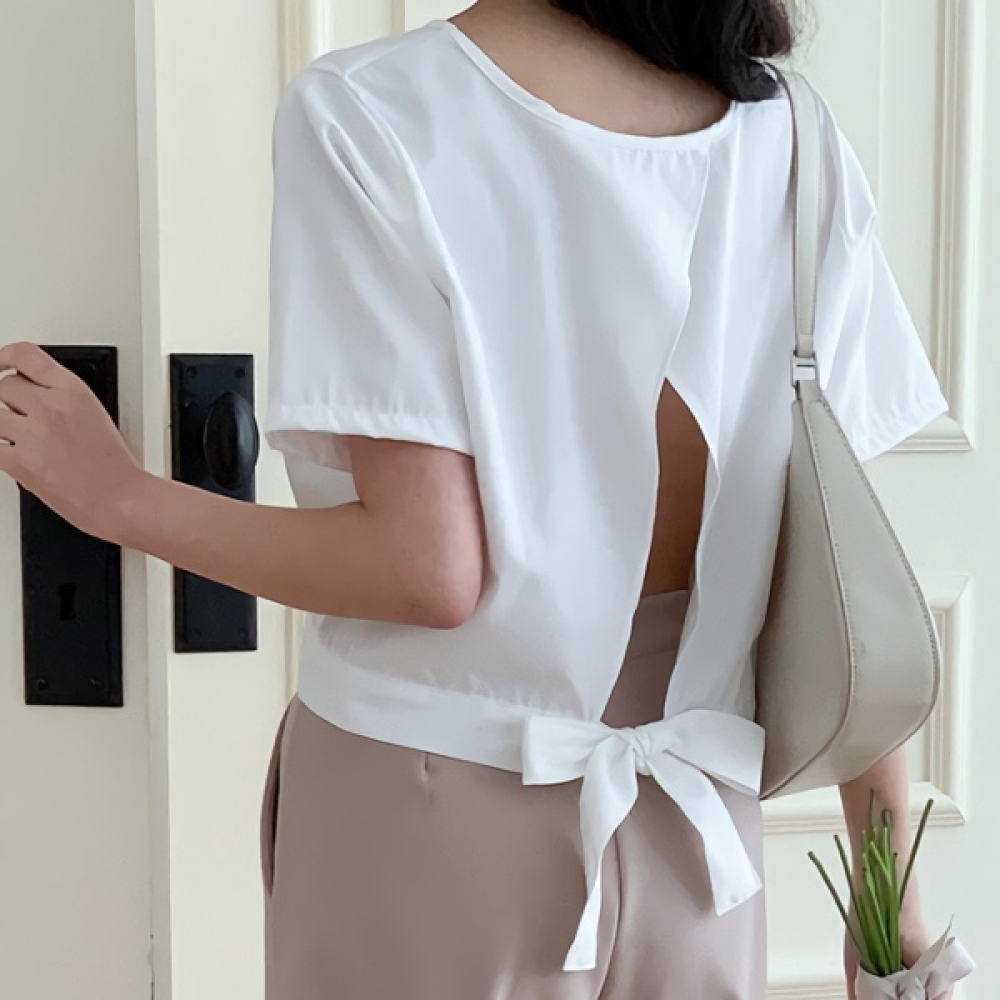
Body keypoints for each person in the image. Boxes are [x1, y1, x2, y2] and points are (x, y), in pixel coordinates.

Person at [0, 1, 952, 997]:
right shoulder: (795, 138)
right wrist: (890, 918)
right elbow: (854, 587)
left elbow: (427, 570)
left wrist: (120, 499)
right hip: (696, 831)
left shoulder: (374, 113)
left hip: (431, 810)